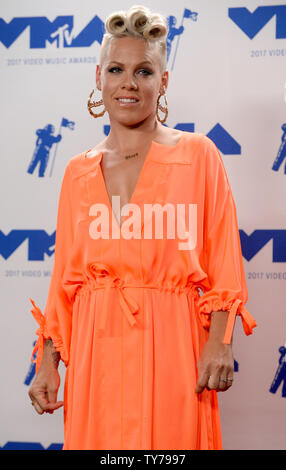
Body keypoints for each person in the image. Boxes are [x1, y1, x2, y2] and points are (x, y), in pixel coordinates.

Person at [28, 5, 257, 450]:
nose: (128, 83)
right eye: (116, 69)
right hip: (98, 350)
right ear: (99, 77)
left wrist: (220, 341)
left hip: (175, 344)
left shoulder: (199, 155)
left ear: (163, 82)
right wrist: (48, 361)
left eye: (144, 71)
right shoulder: (77, 171)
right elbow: (65, 281)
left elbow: (224, 259)